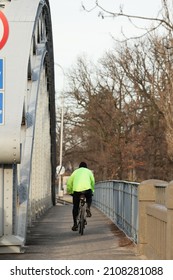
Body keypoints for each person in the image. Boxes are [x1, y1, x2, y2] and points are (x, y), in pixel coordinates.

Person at [67, 162, 95, 231]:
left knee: (75, 207)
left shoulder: (75, 172)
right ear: (86, 167)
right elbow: (93, 181)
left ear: (79, 167)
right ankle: (88, 207)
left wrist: (70, 191)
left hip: (77, 190)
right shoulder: (89, 172)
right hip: (87, 189)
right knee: (89, 197)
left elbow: (69, 182)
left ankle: (75, 224)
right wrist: (92, 190)